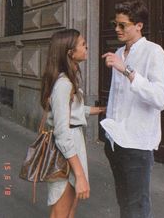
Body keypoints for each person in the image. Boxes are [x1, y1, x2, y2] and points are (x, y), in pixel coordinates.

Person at [101, 0, 164, 218]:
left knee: (137, 208)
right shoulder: (119, 52)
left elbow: (161, 98)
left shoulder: (153, 52)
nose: (116, 29)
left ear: (139, 25)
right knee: (125, 203)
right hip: (115, 142)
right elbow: (117, 97)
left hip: (137, 145)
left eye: (123, 25)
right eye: (115, 24)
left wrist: (127, 71)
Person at [41, 29, 105, 218]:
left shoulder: (67, 80)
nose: (87, 47)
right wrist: (80, 174)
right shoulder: (64, 84)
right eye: (83, 44)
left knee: (69, 211)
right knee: (61, 213)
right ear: (70, 52)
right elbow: (62, 132)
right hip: (66, 151)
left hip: (72, 147)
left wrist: (100, 110)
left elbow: (72, 112)